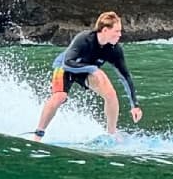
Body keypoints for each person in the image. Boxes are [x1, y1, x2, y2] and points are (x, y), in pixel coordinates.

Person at [32, 11, 143, 140]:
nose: (120, 35)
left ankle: (111, 134)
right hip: (64, 68)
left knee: (111, 94)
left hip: (85, 72)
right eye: (117, 31)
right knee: (60, 96)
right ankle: (38, 134)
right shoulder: (84, 39)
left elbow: (125, 76)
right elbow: (67, 63)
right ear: (105, 30)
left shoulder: (114, 50)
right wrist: (94, 69)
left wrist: (134, 105)